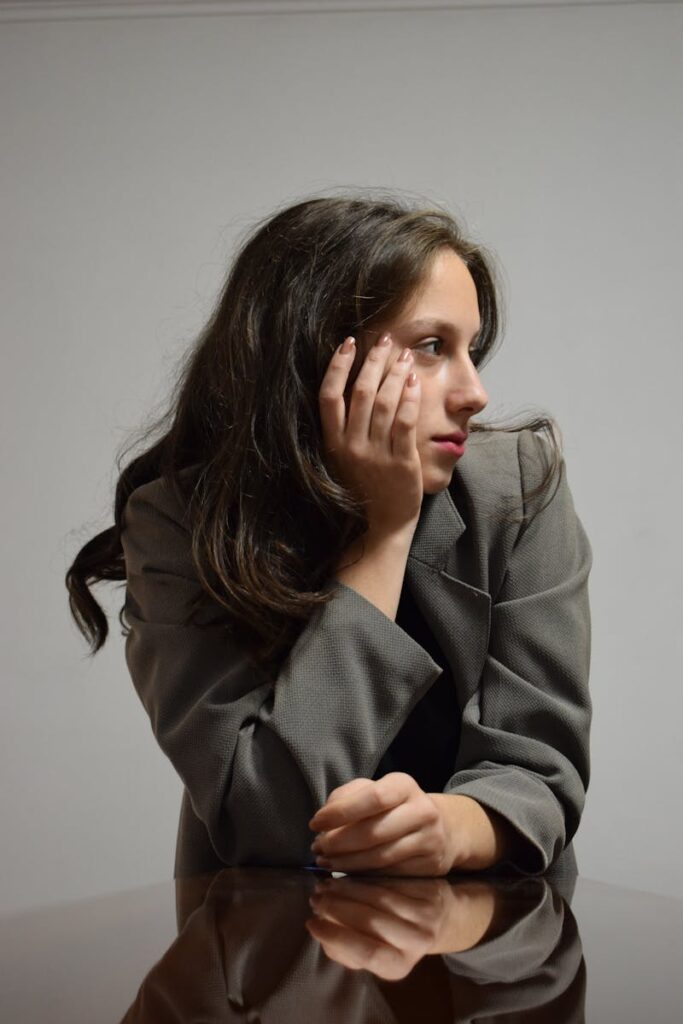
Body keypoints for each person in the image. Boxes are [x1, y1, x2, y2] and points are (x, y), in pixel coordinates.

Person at [66, 192, 592, 880]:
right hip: (259, 953)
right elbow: (264, 818)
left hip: (495, 948)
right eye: (431, 347)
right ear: (321, 357)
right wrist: (384, 535)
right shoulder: (175, 525)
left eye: (471, 350)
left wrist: (450, 829)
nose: (474, 393)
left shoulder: (517, 489)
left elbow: (541, 769)